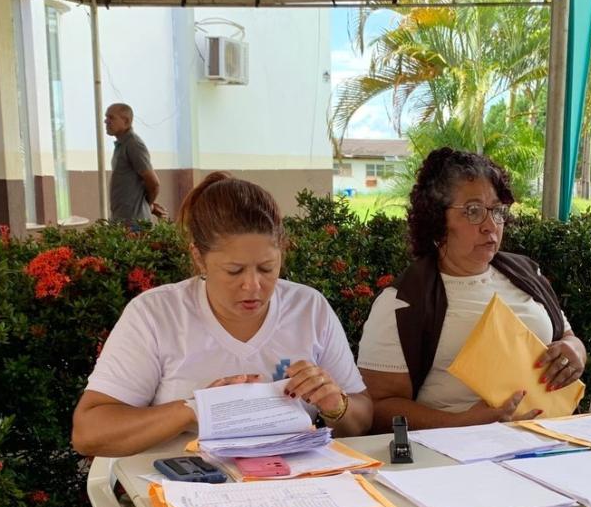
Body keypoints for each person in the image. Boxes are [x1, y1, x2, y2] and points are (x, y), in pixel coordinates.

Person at [72, 172, 373, 458]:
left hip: (294, 488)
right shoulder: (157, 314)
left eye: (267, 268)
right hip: (183, 491)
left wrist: (335, 404)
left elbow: (362, 419)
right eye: (234, 270)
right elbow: (89, 432)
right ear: (198, 258)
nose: (253, 286)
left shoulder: (308, 307)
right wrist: (197, 409)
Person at [357, 148, 587, 433]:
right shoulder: (403, 303)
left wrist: (575, 352)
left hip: (553, 441)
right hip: (456, 456)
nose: (491, 226)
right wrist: (462, 423)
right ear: (437, 220)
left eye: (497, 211)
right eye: (473, 211)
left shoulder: (526, 274)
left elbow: (566, 336)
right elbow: (376, 407)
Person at [104, 102, 167, 223]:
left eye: (111, 117)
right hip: (121, 219)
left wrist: (146, 204)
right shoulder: (122, 144)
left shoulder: (133, 144)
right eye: (106, 117)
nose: (106, 121)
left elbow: (154, 184)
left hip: (134, 223)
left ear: (126, 121)